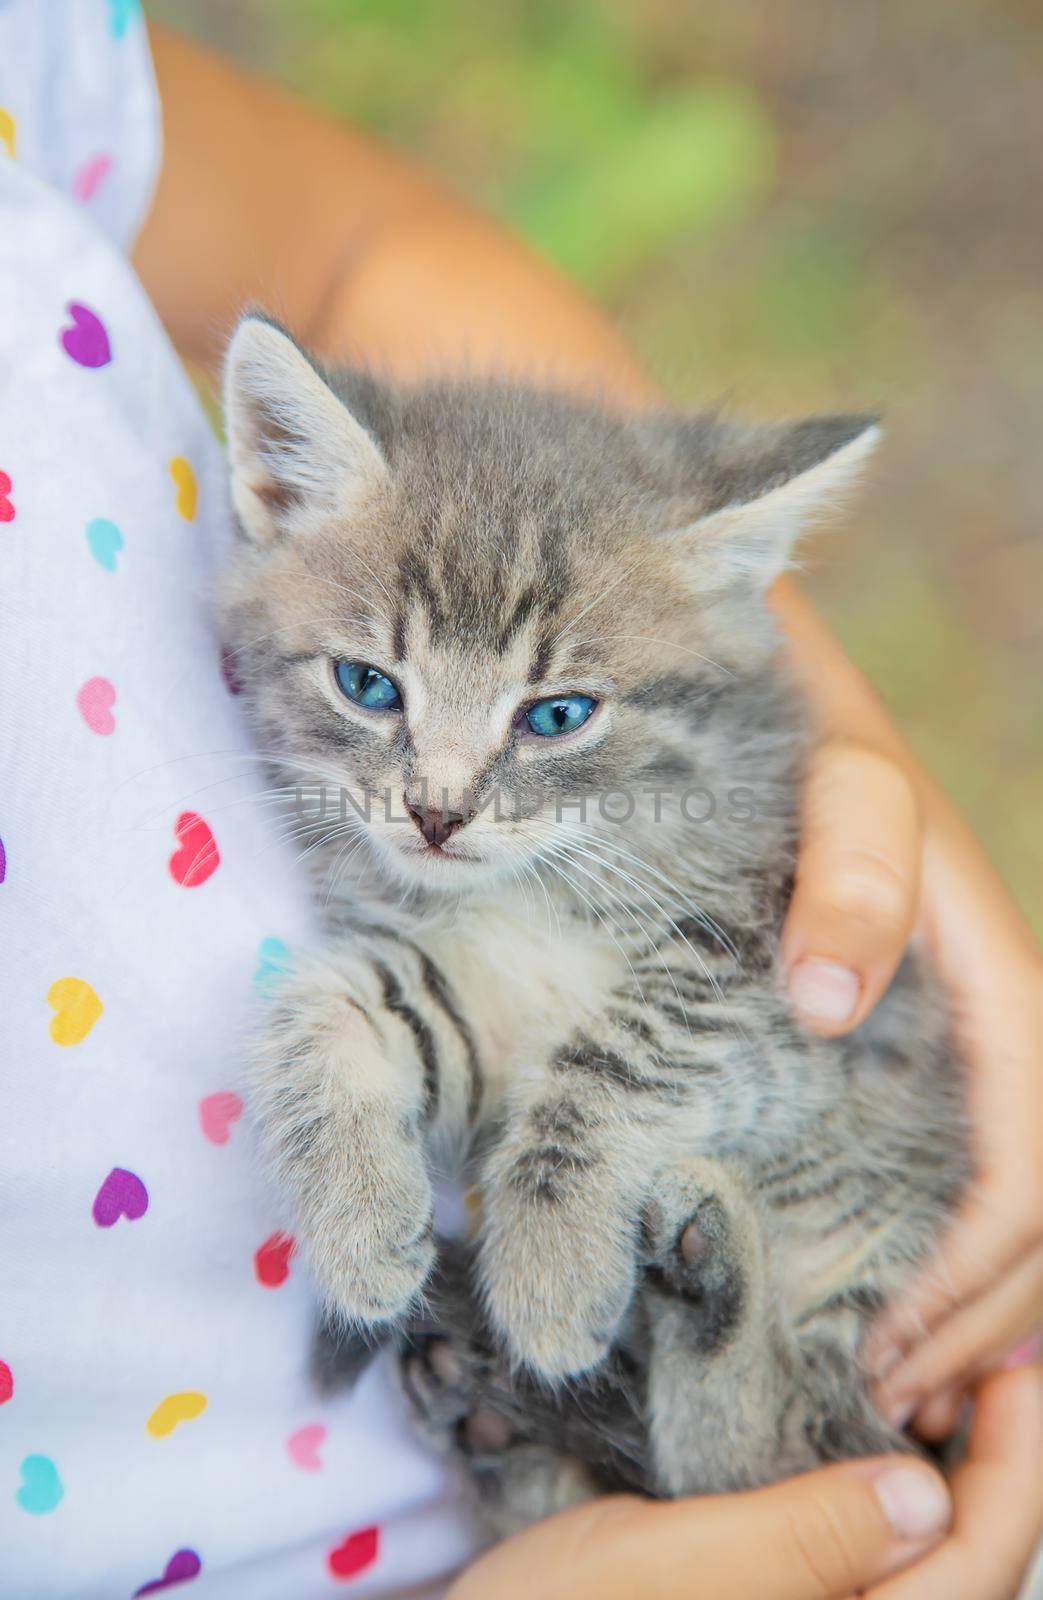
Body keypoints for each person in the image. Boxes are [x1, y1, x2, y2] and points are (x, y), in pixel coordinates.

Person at [0, 6, 1039, 1596]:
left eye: (547, 719)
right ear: (273, 494)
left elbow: (360, 242)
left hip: (860, 1315)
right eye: (377, 693)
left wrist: (900, 825)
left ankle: (705, 1357)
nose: (439, 803)